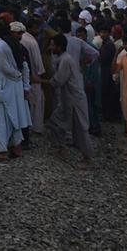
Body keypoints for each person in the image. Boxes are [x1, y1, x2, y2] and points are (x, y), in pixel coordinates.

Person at [48, 33, 94, 167]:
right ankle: (61, 147)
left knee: (81, 128)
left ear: (59, 46)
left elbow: (58, 81)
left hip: (75, 99)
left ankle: (87, 158)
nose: (51, 48)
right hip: (67, 99)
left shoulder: (66, 60)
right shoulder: (62, 58)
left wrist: (40, 81)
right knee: (55, 121)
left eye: (52, 45)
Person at [0, 20, 30, 161]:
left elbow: (5, 68)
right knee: (15, 117)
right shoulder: (13, 43)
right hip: (14, 87)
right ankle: (17, 149)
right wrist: (24, 84)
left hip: (4, 87)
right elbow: (24, 65)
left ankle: (2, 152)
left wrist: (16, 76)